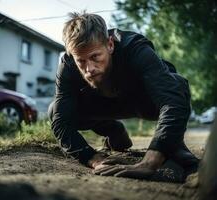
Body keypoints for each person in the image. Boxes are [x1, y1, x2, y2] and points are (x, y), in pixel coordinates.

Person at [48, 12, 199, 179]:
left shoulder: (135, 48)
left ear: (110, 44)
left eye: (95, 57)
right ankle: (114, 130)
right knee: (55, 110)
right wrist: (94, 159)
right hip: (102, 107)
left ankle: (173, 146)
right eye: (81, 61)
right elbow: (61, 121)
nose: (89, 69)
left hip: (144, 102)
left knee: (178, 85)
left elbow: (173, 101)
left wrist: (150, 162)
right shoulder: (68, 64)